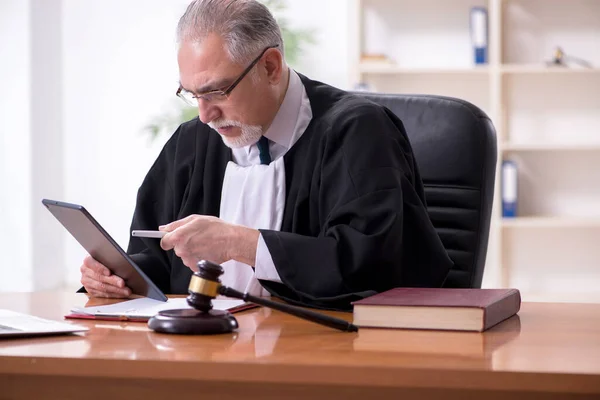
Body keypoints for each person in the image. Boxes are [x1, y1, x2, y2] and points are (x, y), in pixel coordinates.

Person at [79, 0, 453, 311]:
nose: (205, 115)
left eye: (218, 92)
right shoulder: (192, 140)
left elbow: (369, 267)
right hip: (209, 351)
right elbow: (155, 257)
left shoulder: (358, 130)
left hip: (324, 352)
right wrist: (117, 277)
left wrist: (238, 243)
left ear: (270, 67)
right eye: (192, 94)